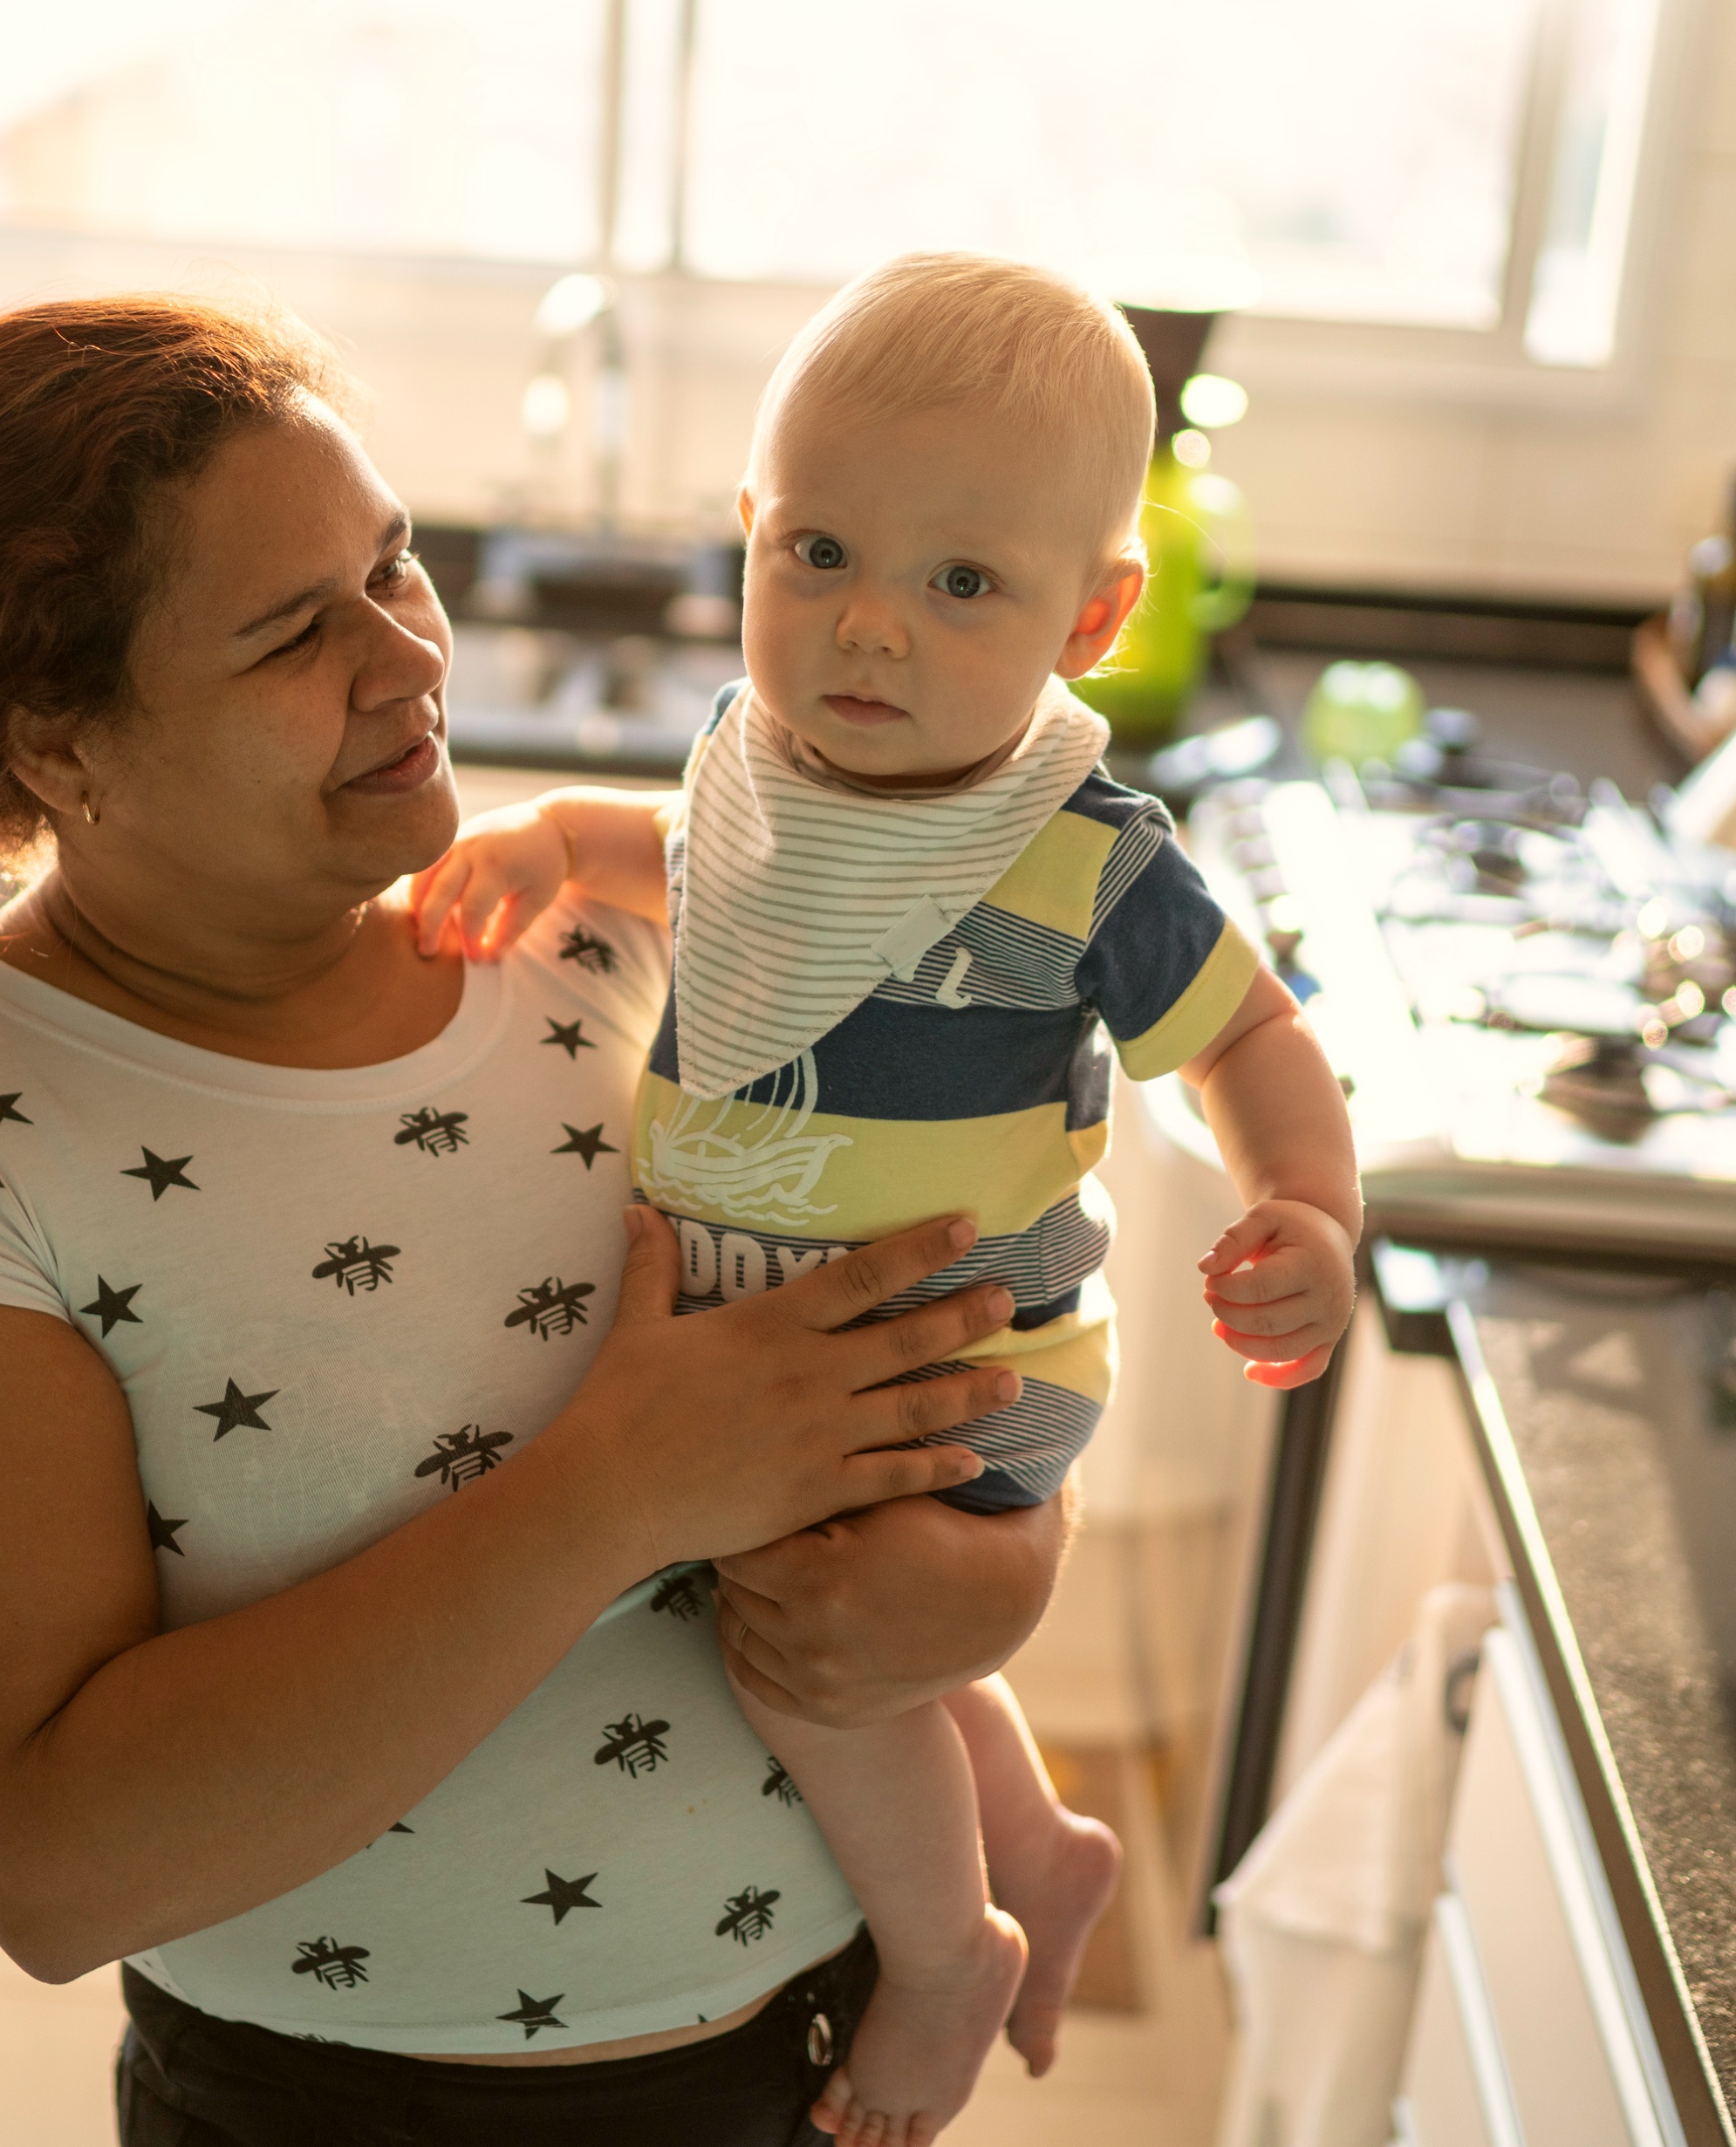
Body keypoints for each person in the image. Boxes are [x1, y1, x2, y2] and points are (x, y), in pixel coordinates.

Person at [0, 296, 1088, 2147]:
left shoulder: (615, 939)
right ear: (59, 745)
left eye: (394, 567)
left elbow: (969, 1299)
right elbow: (51, 1867)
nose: (406, 662)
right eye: (295, 631)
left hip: (820, 2062)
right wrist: (620, 1489)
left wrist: (998, 1576)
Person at [414, 252, 1362, 2146]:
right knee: (838, 1632)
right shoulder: (766, 777)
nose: (868, 630)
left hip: (945, 1354)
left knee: (811, 1650)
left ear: (1091, 616)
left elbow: (1254, 1035)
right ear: (748, 535)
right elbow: (681, 858)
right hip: (784, 1333)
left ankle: (951, 1958)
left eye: (960, 584)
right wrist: (546, 840)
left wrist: (1316, 1213)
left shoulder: (1082, 863)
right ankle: (1035, 1842)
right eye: (821, 553)